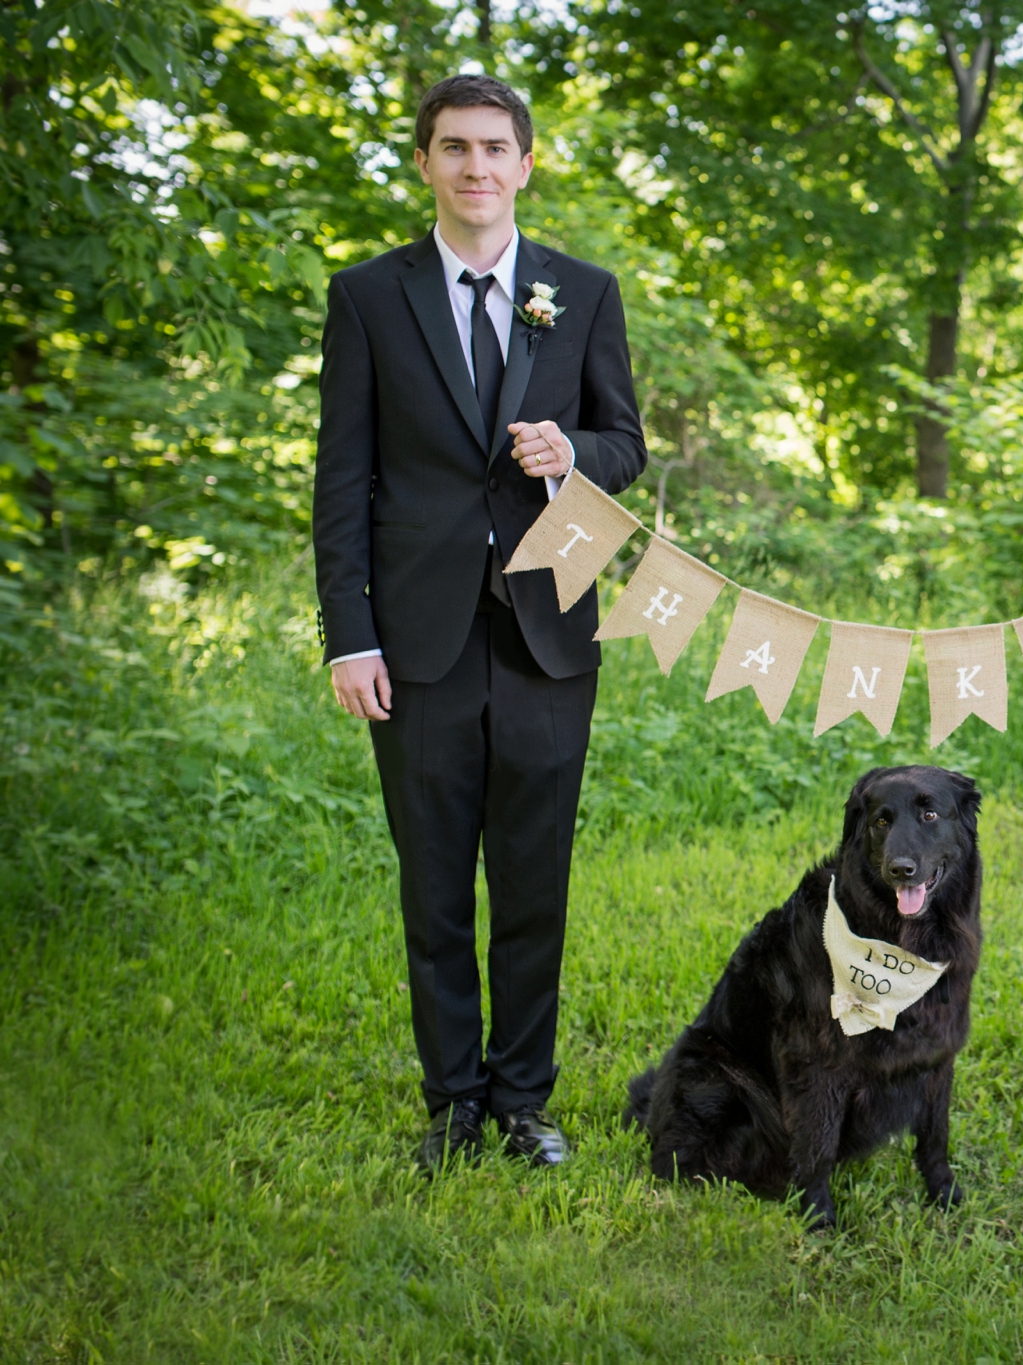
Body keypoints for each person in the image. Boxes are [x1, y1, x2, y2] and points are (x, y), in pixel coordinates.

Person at [312, 75, 647, 1176]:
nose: (475, 167)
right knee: (435, 886)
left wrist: (574, 458)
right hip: (416, 643)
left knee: (534, 881)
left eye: (495, 148)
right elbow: (344, 482)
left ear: (526, 164)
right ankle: (451, 1101)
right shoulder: (367, 297)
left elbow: (623, 444)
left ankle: (523, 1103)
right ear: (426, 164)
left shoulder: (582, 292)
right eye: (453, 147)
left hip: (549, 635)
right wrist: (348, 635)